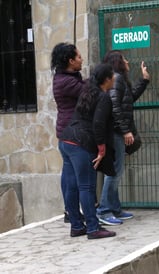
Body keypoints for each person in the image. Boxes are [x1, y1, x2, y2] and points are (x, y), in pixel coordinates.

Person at [59, 63, 117, 239]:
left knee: (71, 186)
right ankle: (93, 228)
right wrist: (101, 149)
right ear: (107, 79)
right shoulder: (103, 97)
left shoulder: (87, 92)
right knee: (86, 187)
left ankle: (76, 226)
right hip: (81, 144)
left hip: (66, 140)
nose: (115, 78)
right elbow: (98, 123)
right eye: (113, 76)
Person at [96, 50, 150, 225]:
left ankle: (115, 208)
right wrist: (125, 130)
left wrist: (144, 80)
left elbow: (129, 99)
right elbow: (115, 107)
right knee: (115, 171)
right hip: (115, 131)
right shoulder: (117, 79)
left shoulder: (119, 79)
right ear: (118, 62)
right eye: (124, 59)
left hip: (118, 130)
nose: (127, 61)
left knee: (116, 170)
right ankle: (104, 210)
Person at [51, 42, 87, 223]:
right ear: (70, 61)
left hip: (66, 132)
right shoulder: (66, 82)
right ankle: (75, 217)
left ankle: (70, 212)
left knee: (68, 175)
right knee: (76, 181)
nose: (82, 59)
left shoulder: (66, 77)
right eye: (79, 57)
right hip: (71, 133)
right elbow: (87, 91)